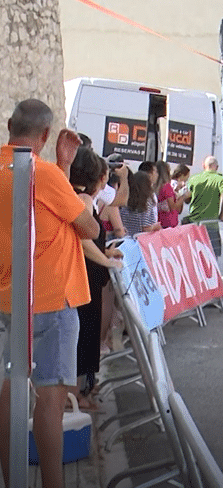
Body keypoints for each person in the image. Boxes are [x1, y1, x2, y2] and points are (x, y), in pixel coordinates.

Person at [0, 99, 100, 488]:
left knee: (8, 396)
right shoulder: (42, 173)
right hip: (50, 300)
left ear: (9, 125)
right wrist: (63, 170)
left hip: (6, 301)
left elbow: (35, 214)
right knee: (50, 399)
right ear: (44, 136)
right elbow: (88, 227)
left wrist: (61, 168)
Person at [69, 146, 122, 410]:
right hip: (84, 278)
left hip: (87, 277)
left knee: (86, 334)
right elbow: (82, 240)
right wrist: (105, 259)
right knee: (83, 335)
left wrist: (106, 252)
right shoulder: (83, 200)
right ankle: (77, 394)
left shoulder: (79, 197)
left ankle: (84, 387)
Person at [185, 155, 223, 224]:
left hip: (195, 223)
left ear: (203, 166)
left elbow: (187, 200)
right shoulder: (221, 180)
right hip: (211, 223)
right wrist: (222, 215)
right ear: (217, 167)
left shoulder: (193, 179)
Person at [120, 168, 161, 235]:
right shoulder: (147, 201)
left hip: (127, 238)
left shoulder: (126, 199)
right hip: (141, 240)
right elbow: (146, 227)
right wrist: (155, 226)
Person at [156, 161, 188, 228]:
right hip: (169, 223)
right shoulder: (166, 187)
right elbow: (173, 207)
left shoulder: (156, 186)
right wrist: (184, 196)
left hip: (159, 221)